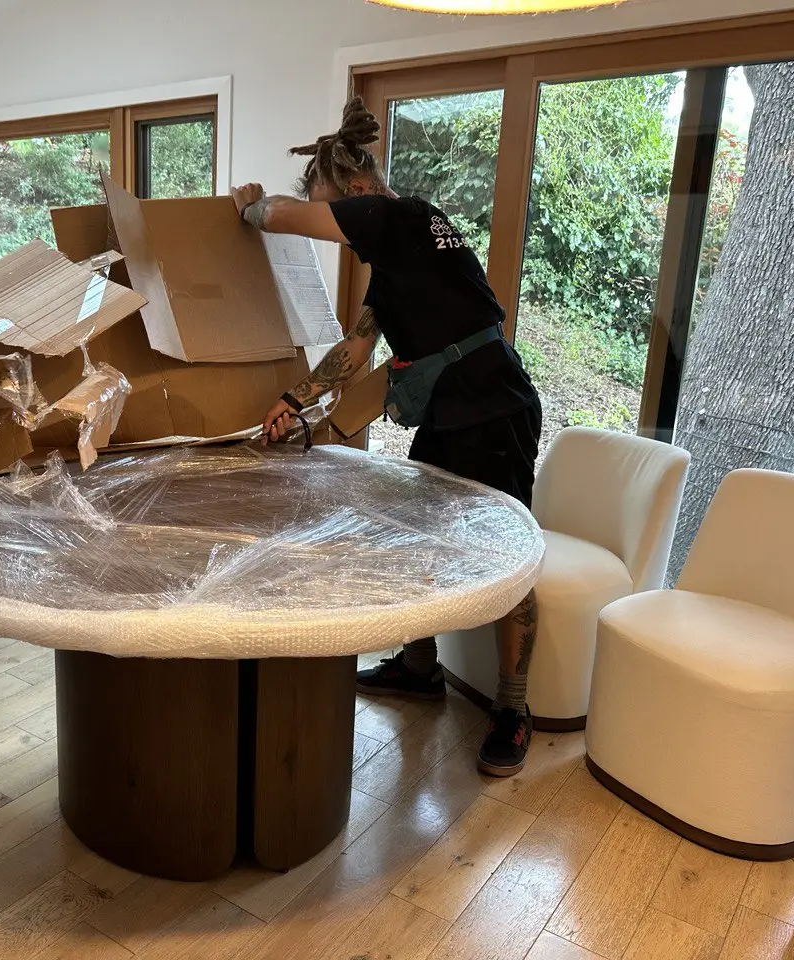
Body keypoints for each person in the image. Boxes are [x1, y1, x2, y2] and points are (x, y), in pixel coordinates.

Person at [231, 98, 542, 779]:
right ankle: (420, 668)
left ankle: (514, 710)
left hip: (496, 409)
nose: (336, 225)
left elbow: (282, 216)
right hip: (450, 412)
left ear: (353, 188)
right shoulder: (404, 257)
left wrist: (251, 207)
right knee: (420, 536)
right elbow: (358, 346)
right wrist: (295, 399)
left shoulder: (401, 213)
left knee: (509, 547)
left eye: (330, 204)